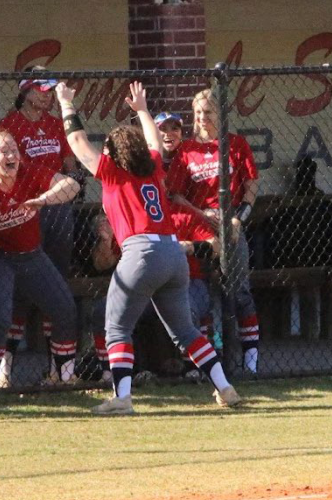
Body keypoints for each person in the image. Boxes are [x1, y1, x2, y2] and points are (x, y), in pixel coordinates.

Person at [56, 81, 241, 415]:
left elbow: (78, 142)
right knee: (185, 330)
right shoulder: (154, 168)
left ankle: (123, 397)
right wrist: (142, 110)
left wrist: (67, 104)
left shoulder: (113, 172)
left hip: (141, 253)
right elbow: (155, 141)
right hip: (173, 254)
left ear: (114, 153)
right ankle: (224, 386)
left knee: (115, 327)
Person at [0, 130, 81, 388]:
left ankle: (63, 377)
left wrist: (43, 199)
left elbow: (71, 186)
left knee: (64, 309)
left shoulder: (29, 172)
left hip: (31, 255)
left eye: (14, 150)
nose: (11, 156)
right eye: (3, 151)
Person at [166, 88, 262, 375]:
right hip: (199, 230)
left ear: (220, 114)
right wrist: (202, 216)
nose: (202, 118)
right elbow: (176, 195)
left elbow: (251, 184)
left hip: (231, 227)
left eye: (208, 112)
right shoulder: (187, 150)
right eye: (197, 113)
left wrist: (238, 219)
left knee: (239, 292)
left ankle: (250, 361)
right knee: (201, 291)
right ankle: (208, 360)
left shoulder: (235, 144)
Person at [0, 67, 80, 372]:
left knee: (55, 284)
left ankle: (56, 368)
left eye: (50, 92)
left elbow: (70, 165)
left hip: (56, 207)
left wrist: (70, 185)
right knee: (20, 290)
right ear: (27, 92)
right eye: (42, 91)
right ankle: (5, 367)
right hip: (26, 208)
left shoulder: (56, 125)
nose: (47, 97)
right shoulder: (9, 125)